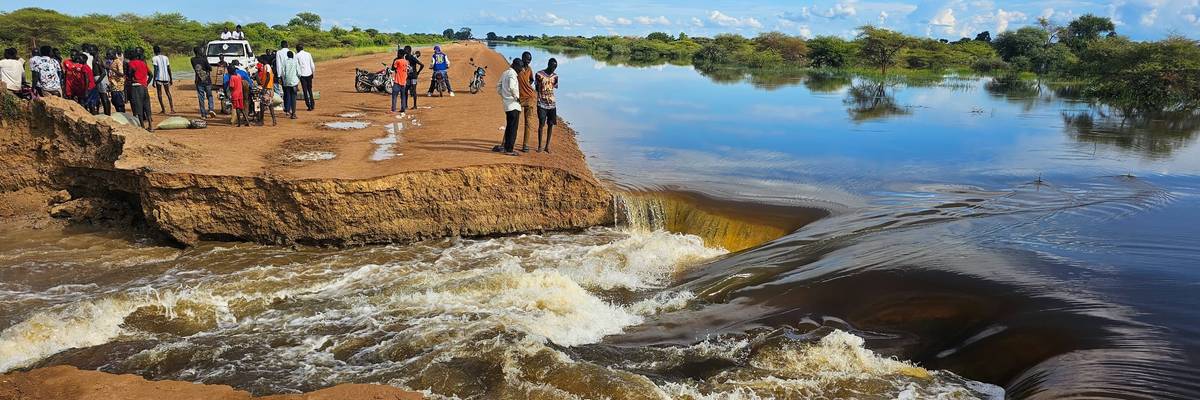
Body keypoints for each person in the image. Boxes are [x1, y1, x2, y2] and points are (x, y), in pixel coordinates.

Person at [497, 58, 522, 156]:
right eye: (520, 67)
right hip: (513, 105)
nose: (521, 70)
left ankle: (506, 147)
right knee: (513, 128)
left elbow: (498, 86)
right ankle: (509, 150)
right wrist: (516, 97)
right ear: (515, 66)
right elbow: (512, 87)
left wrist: (504, 95)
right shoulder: (512, 74)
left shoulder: (505, 73)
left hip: (507, 104)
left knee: (509, 127)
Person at [535, 58, 559, 153]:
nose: (553, 69)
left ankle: (547, 146)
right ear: (548, 64)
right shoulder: (539, 74)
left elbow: (554, 87)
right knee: (541, 124)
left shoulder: (555, 76)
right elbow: (536, 88)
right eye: (552, 67)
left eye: (555, 67)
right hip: (541, 103)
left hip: (552, 104)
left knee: (550, 124)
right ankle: (540, 146)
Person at [128, 48, 153, 130]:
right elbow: (151, 75)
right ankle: (150, 126)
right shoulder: (143, 63)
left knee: (139, 107)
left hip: (136, 87)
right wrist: (146, 83)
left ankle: (142, 126)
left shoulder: (131, 63)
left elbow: (130, 74)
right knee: (147, 106)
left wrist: (131, 78)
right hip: (144, 87)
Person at [517, 51, 536, 152]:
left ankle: (526, 145)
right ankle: (506, 143)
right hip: (518, 98)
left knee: (528, 123)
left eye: (530, 60)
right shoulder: (516, 67)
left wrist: (527, 84)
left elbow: (532, 80)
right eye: (527, 59)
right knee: (513, 121)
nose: (528, 62)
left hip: (530, 98)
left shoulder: (529, 69)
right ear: (522, 58)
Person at [190, 46, 215, 119]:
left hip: (198, 81)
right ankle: (211, 109)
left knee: (201, 97)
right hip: (207, 80)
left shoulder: (192, 60)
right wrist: (205, 59)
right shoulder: (204, 59)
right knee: (209, 96)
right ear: (199, 51)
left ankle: (203, 114)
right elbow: (210, 68)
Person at [253, 55, 276, 126]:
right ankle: (273, 120)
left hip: (267, 88)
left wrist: (264, 87)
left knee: (262, 104)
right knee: (270, 104)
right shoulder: (266, 66)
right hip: (269, 87)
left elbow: (268, 77)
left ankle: (262, 121)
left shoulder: (267, 66)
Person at [151, 46, 174, 114]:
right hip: (166, 78)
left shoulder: (154, 58)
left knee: (159, 93)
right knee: (168, 93)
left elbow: (156, 69)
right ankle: (172, 109)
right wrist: (171, 78)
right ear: (160, 50)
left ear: (154, 51)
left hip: (159, 78)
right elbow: (168, 68)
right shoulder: (166, 57)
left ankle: (163, 109)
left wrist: (154, 80)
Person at [279, 50, 300, 119]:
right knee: (293, 97)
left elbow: (283, 72)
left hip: (287, 82)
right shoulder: (295, 62)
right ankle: (293, 113)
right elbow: (299, 72)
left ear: (287, 56)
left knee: (287, 95)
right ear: (293, 56)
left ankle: (287, 111)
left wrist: (285, 79)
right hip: (294, 82)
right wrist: (297, 79)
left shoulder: (284, 62)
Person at [295, 44, 315, 111]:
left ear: (297, 49)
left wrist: (297, 76)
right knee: (310, 89)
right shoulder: (308, 54)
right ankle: (312, 104)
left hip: (302, 75)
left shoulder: (297, 55)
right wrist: (312, 73)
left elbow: (297, 67)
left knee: (305, 90)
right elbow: (312, 64)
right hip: (309, 73)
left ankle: (308, 105)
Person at [389, 49, 409, 114]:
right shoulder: (406, 62)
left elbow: (392, 69)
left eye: (398, 53)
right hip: (404, 82)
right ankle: (403, 108)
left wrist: (394, 60)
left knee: (394, 96)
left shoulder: (397, 61)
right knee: (403, 96)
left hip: (397, 81)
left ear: (399, 54)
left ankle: (393, 109)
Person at [92, 48, 110, 115]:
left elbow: (103, 73)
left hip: (100, 79)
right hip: (98, 79)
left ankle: (107, 113)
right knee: (102, 97)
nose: (91, 51)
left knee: (104, 97)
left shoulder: (98, 59)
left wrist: (97, 82)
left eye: (92, 50)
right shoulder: (95, 59)